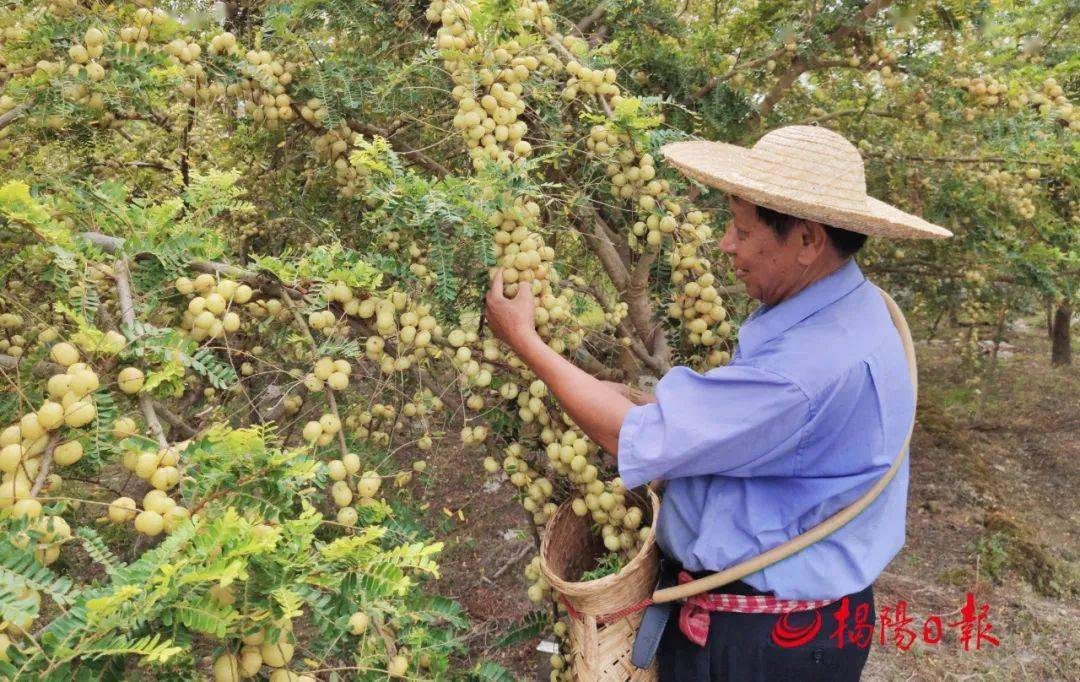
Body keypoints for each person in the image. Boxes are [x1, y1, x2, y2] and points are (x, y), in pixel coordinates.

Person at [484, 125, 951, 680]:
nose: (727, 244)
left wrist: (525, 342)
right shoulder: (854, 308)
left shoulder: (805, 369)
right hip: (796, 622)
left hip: (766, 644)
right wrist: (646, 402)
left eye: (742, 229)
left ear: (806, 241)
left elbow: (628, 437)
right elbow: (772, 433)